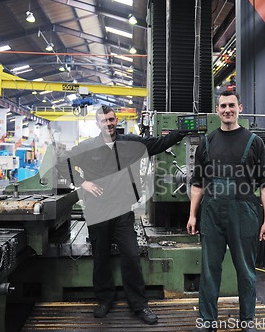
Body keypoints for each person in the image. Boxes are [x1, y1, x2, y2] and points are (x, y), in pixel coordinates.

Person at [60, 105, 184, 325]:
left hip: (122, 212)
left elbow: (159, 143)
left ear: (116, 120)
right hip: (97, 213)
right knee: (101, 259)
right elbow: (63, 162)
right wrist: (81, 183)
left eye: (111, 119)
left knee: (131, 256)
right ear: (97, 124)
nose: (108, 124)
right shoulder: (87, 147)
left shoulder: (132, 144)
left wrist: (182, 130)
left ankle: (139, 304)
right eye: (103, 121)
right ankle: (104, 300)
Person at [186, 90, 265, 332]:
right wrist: (193, 214)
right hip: (211, 214)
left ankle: (247, 321)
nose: (227, 110)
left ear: (240, 107)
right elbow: (197, 184)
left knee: (246, 271)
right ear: (217, 110)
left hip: (244, 213)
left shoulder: (254, 142)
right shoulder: (207, 142)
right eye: (223, 106)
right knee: (209, 270)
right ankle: (207, 321)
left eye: (231, 105)